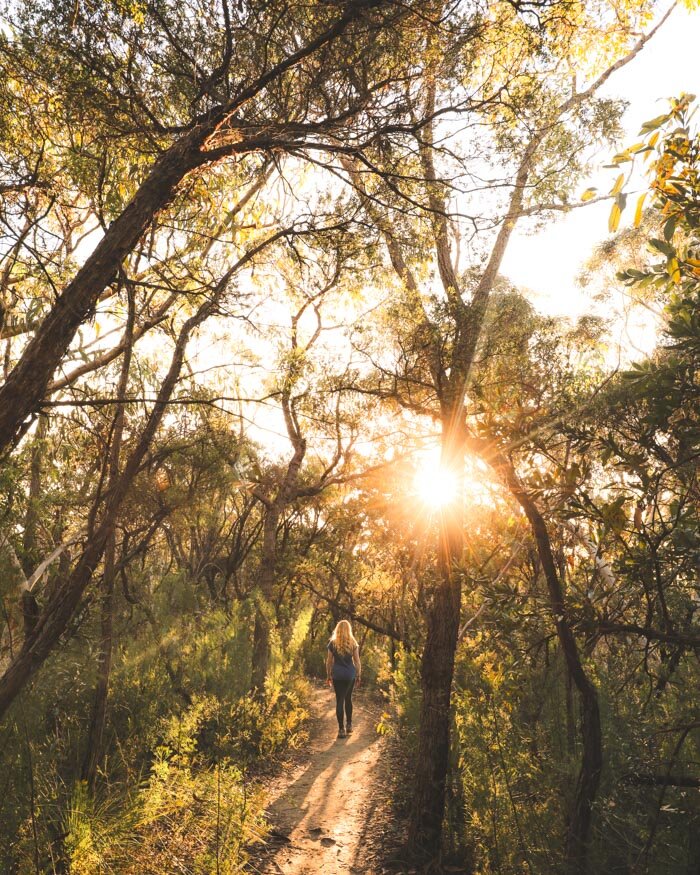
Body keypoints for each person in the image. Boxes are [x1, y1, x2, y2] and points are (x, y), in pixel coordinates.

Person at [326, 619, 361, 739]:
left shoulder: (332, 643)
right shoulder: (353, 642)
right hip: (349, 675)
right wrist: (358, 675)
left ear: (338, 629)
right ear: (349, 630)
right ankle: (349, 725)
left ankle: (341, 729)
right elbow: (357, 661)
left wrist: (328, 675)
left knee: (339, 700)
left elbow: (329, 661)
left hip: (337, 675)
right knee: (348, 698)